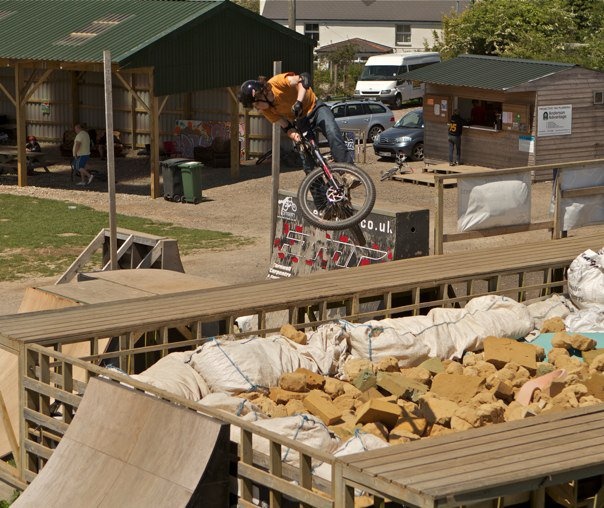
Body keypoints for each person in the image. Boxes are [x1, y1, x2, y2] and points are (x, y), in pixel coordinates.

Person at [237, 72, 354, 173]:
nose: (258, 109)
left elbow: (303, 80)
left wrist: (299, 102)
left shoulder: (277, 82)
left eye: (256, 104)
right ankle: (320, 198)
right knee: (306, 158)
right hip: (301, 120)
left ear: (261, 94)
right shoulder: (267, 110)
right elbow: (286, 126)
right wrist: (296, 137)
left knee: (332, 131)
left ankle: (348, 172)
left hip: (315, 107)